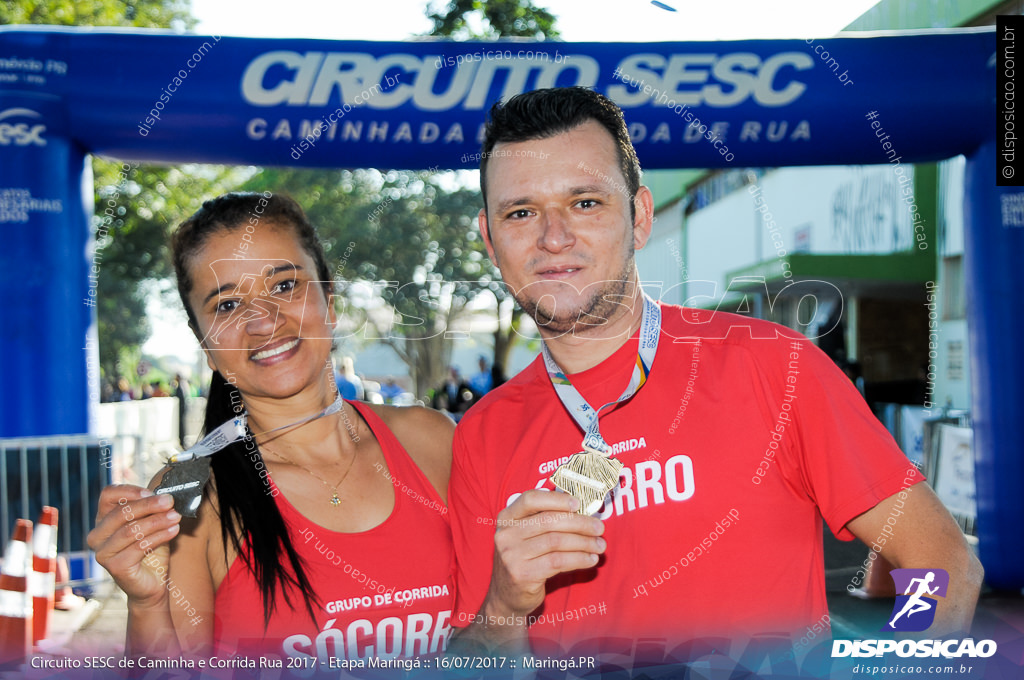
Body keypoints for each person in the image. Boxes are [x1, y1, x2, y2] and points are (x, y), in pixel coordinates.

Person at [447, 87, 983, 663]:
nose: (554, 237)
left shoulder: (772, 365)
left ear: (641, 216)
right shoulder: (483, 436)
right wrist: (504, 605)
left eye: (585, 203)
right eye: (521, 212)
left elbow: (942, 563)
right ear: (490, 239)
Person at [88, 193, 456, 662]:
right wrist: (148, 602)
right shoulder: (188, 493)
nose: (262, 320)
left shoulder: (430, 440)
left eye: (284, 286)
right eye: (226, 305)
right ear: (204, 343)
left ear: (331, 300)